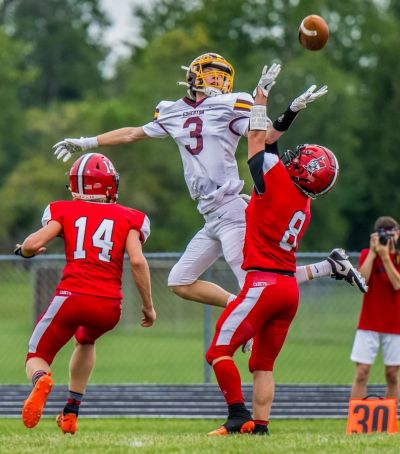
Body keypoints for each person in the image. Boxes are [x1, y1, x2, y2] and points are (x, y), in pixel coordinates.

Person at [52, 52, 366, 316]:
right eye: (212, 75)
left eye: (222, 76)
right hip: (210, 215)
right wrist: (86, 142)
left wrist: (290, 112)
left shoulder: (233, 103)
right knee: (180, 281)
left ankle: (313, 277)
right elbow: (133, 133)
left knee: (260, 285)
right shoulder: (171, 110)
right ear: (192, 76)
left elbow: (264, 137)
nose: (218, 81)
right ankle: (316, 273)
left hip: (230, 209)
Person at [205, 69, 340, 436]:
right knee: (263, 365)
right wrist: (291, 113)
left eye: (301, 158)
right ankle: (260, 428)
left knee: (217, 351)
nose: (294, 157)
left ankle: (237, 416)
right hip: (288, 291)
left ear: (304, 169)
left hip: (262, 283)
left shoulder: (278, 180)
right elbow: (271, 145)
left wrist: (261, 96)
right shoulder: (303, 205)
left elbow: (256, 138)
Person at [15, 153, 156, 434]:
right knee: (86, 341)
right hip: (109, 306)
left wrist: (26, 251)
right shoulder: (131, 218)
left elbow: (33, 242)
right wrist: (148, 306)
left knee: (36, 353)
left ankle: (41, 380)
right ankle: (70, 412)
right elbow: (138, 261)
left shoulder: (63, 210)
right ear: (108, 185)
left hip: (72, 296)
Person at [350, 216, 400, 399]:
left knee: (392, 374)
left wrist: (386, 257)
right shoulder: (367, 254)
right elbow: (361, 282)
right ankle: (354, 418)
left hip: (395, 323)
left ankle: (391, 417)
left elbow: (397, 284)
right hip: (369, 321)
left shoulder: (397, 257)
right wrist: (373, 252)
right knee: (361, 372)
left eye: (391, 233)